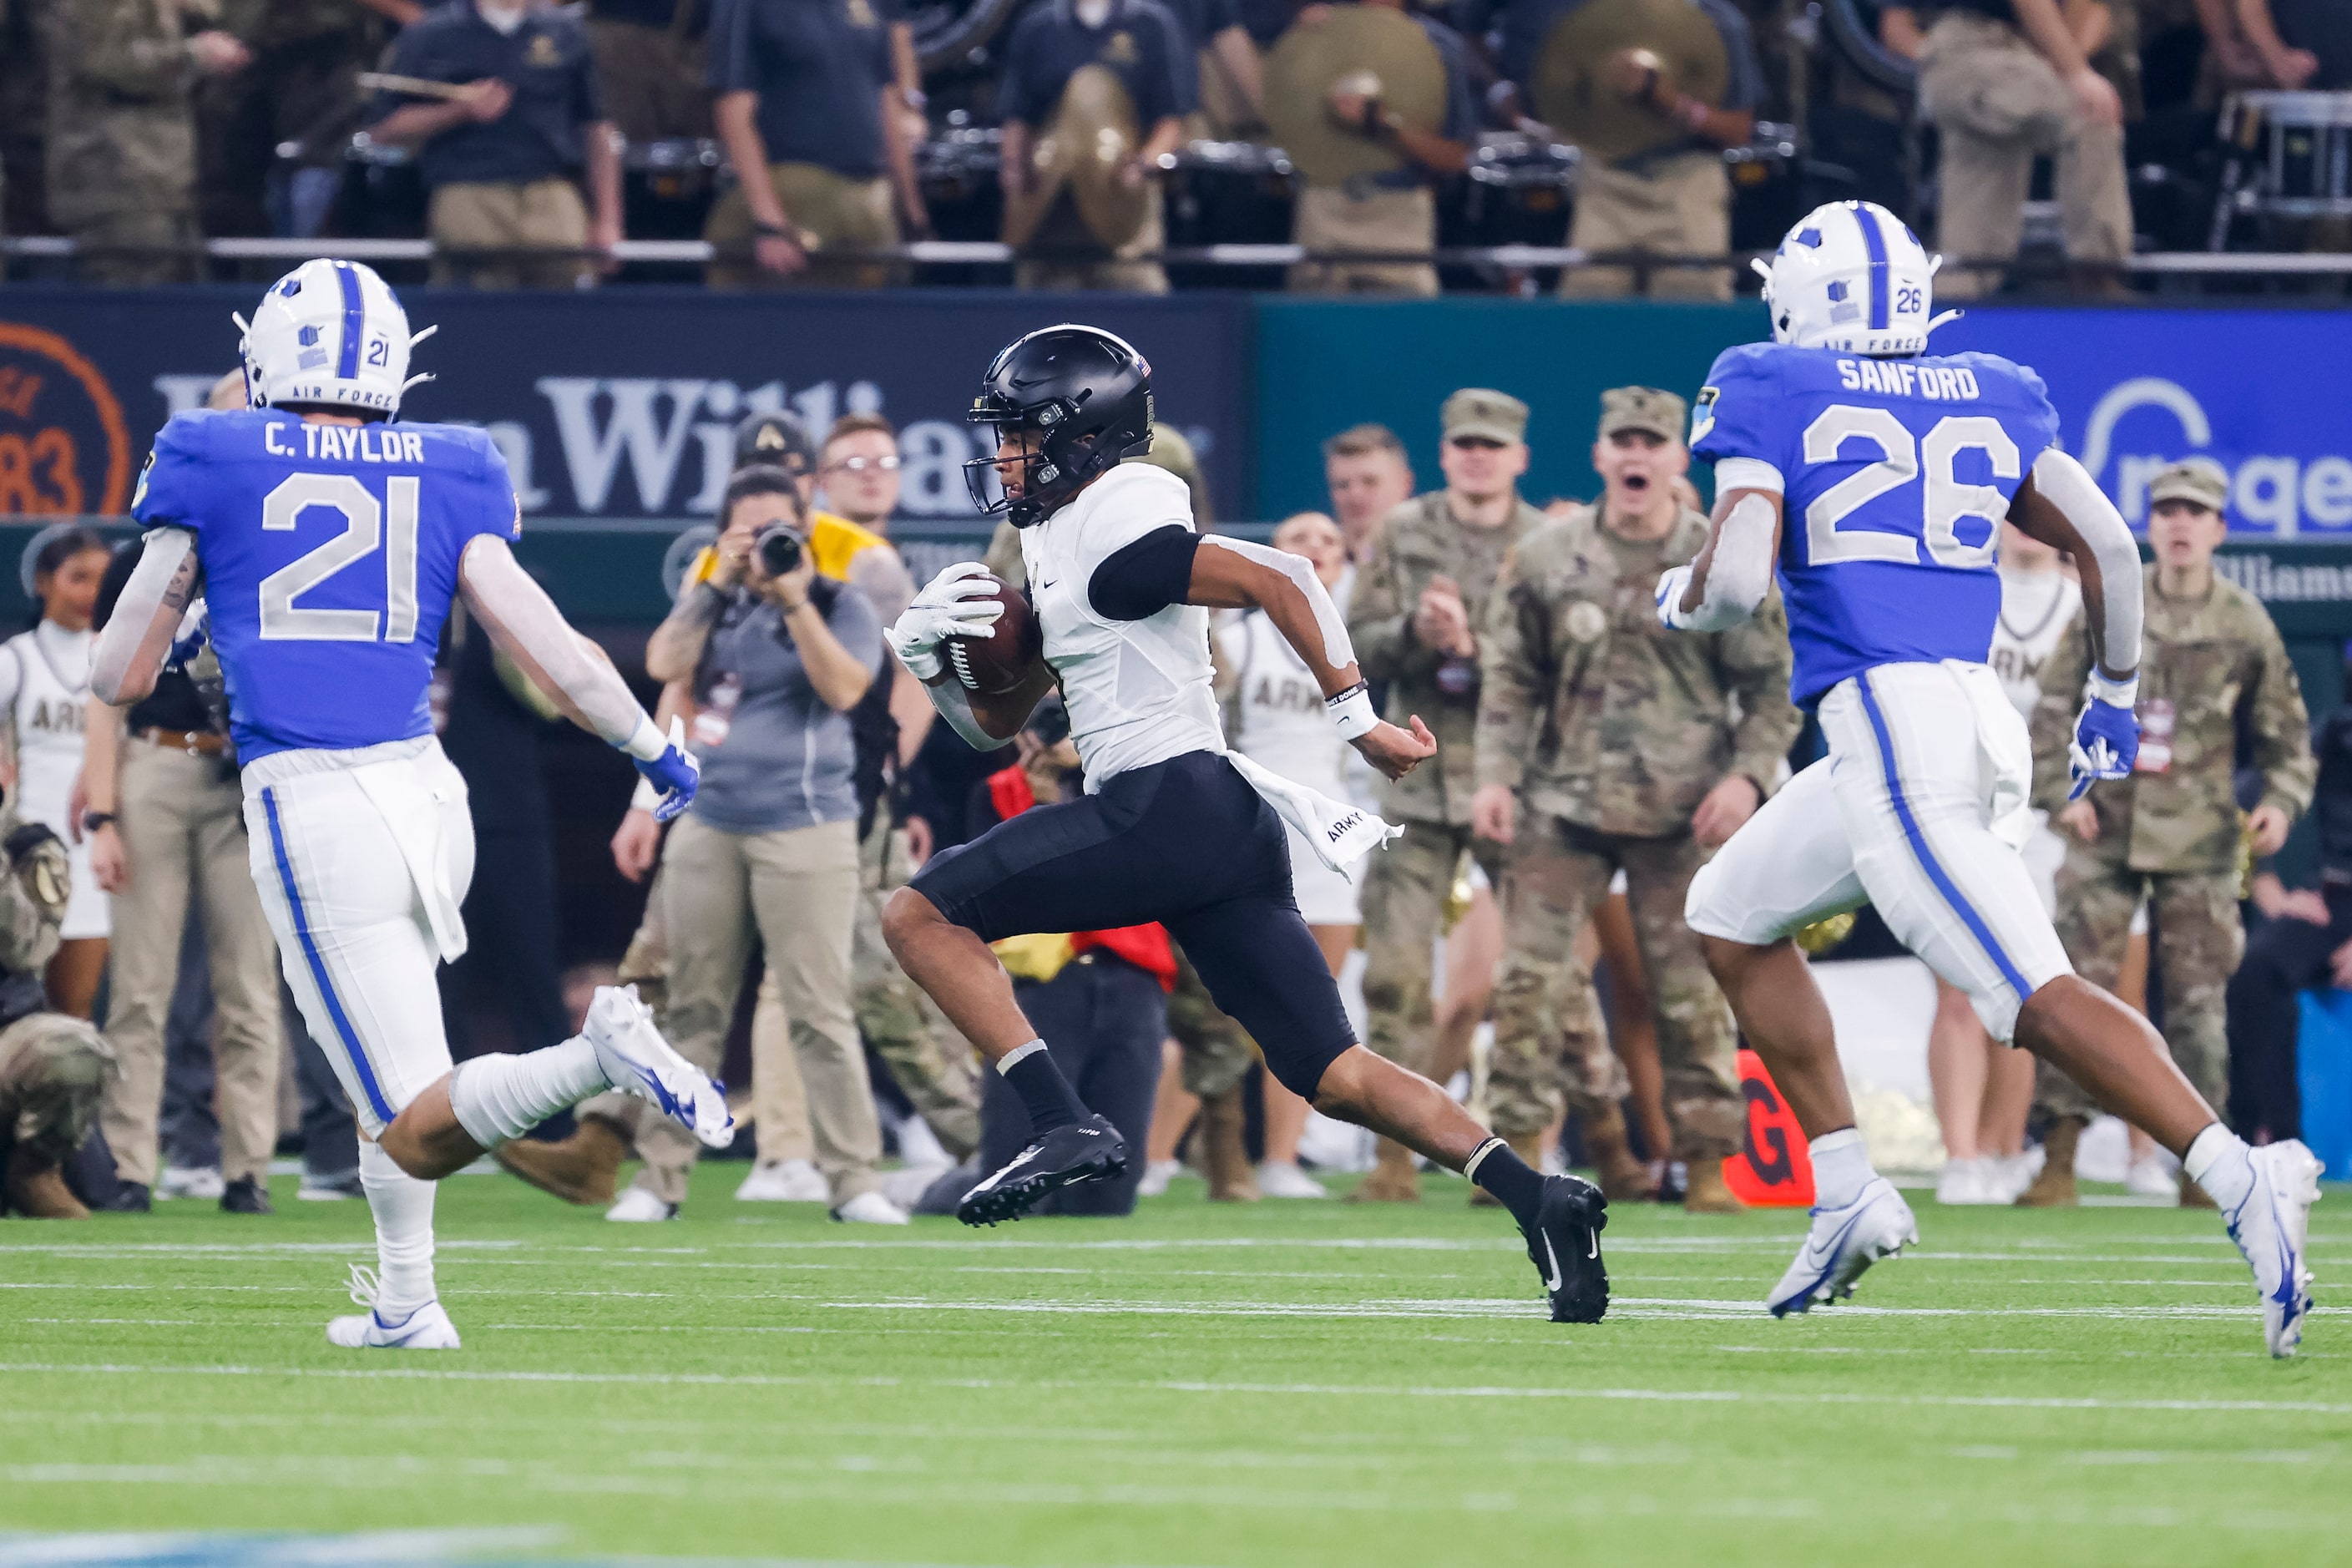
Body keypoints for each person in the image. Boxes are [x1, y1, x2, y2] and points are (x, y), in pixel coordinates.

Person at [1660, 200, 2321, 1357]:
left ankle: (2240, 1171)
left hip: (1890, 722)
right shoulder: (1988, 386)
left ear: (1801, 302)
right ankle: (1849, 1184)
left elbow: (1732, 585)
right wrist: (2111, 694)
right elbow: (2108, 547)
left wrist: (1680, 589)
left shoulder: (1766, 381)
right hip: (1961, 712)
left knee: (2030, 997)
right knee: (1726, 912)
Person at [881, 325, 1611, 1326]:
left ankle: (1062, 1122)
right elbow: (1001, 727)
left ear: (1081, 435)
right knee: (1334, 1074)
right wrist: (937, 666)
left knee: (919, 917)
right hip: (1217, 824)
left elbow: (1287, 577)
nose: (1002, 455)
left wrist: (1358, 721)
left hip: (1164, 805)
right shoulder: (1064, 536)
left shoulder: (1112, 527)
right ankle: (1540, 1199)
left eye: (1019, 434)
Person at [95, 258, 725, 1350]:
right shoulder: (454, 461)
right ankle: (405, 1298)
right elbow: (552, 646)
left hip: (313, 804)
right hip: (432, 797)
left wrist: (194, 627)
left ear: (267, 355)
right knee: (395, 1062)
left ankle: (598, 1055)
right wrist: (647, 748)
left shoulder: (211, 447)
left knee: (410, 1118)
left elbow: (114, 673)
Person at [1473, 387, 1800, 1213]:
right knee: (1527, 984)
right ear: (1598, 456)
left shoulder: (1720, 560)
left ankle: (1709, 1165)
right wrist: (1495, 778)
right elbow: (1511, 676)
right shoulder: (1547, 556)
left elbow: (1771, 687)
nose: (1635, 455)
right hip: (1560, 801)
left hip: (1684, 806)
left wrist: (1748, 777)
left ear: (1675, 458)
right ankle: (1518, 1158)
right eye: (1621, 440)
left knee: (1690, 991)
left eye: (1652, 442)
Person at [597, 466, 909, 1224]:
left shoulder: (840, 602)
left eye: (783, 530)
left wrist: (793, 597)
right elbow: (664, 666)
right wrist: (714, 582)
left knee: (819, 1008)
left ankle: (855, 1182)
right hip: (710, 820)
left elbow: (845, 691)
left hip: (809, 824)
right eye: (751, 531)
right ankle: (660, 1179)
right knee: (692, 1008)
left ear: (807, 527)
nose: (770, 544)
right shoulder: (713, 603)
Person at [2021, 457, 2314, 1207]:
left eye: (2195, 512)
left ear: (2218, 528)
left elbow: (2286, 740)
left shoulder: (2243, 620)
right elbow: (2053, 707)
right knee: (2068, 995)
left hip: (2201, 841)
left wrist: (2278, 803)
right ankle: (2056, 1156)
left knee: (2198, 1008)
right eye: (2167, 511)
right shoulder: (2114, 598)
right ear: (2148, 526)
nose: (2179, 524)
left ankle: (2201, 1167)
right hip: (2104, 828)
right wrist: (2059, 794)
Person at [1343, 387, 1545, 1201]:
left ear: (1519, 458)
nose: (1478, 456)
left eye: (1492, 445)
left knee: (1536, 977)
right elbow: (1352, 640)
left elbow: (1566, 663)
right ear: (1445, 452)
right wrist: (1412, 638)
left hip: (1513, 779)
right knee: (1393, 977)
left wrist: (1478, 645)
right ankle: (1395, 1160)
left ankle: (1520, 1153)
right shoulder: (1403, 530)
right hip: (1418, 780)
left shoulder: (1547, 542)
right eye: (1465, 443)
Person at [83, 532, 284, 1216]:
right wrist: (101, 813)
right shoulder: (135, 559)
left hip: (246, 774)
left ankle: (248, 1170)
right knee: (140, 989)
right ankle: (131, 1165)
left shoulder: (270, 547)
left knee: (250, 986)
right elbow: (103, 687)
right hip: (156, 766)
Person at [953, 696, 1174, 1216]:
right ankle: (930, 1191)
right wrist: (1041, 807)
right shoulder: (996, 794)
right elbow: (1007, 895)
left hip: (1131, 979)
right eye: (1046, 723)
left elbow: (1132, 877)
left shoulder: (1132, 787)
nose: (1058, 736)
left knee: (1111, 1194)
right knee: (1010, 1179)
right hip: (1043, 986)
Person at [1216, 511, 1364, 1199]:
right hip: (1257, 827)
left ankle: (1281, 1157)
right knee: (1230, 1008)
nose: (1316, 551)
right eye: (1301, 540)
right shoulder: (1239, 636)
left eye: (1330, 542)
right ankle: (1172, 1151)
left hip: (1330, 836)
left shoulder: (1350, 643)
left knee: (1314, 1004)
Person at [1932, 518, 2076, 1204]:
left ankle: (2003, 1147)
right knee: (1955, 987)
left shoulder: (2083, 606)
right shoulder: (1956, 590)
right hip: (1960, 804)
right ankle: (1960, 1155)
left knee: (2026, 991)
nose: (2025, 526)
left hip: (2044, 821)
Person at [367, 0, 624, 289]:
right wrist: (458, 110)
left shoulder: (565, 31)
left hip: (551, 190)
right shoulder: (431, 32)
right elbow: (384, 128)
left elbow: (598, 129)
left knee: (565, 304)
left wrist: (608, 220)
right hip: (466, 189)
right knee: (472, 305)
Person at [1546, 0, 1764, 300]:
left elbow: (1738, 131)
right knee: (1587, 317)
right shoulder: (1593, 20)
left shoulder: (1720, 23)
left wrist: (1669, 102)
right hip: (1606, 184)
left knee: (1694, 321)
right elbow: (1559, 100)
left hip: (1687, 187)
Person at [701, 0, 925, 287]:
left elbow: (886, 100)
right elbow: (733, 112)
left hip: (872, 200)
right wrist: (768, 223)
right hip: (794, 197)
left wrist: (911, 209)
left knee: (875, 326)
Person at [1915, 0, 2132, 297]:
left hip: (1974, 55)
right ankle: (2097, 276)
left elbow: (2096, 10)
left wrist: (2057, 60)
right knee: (2090, 113)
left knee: (1973, 253)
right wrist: (2076, 71)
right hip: (1980, 48)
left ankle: (1953, 305)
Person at [2229, 660, 2352, 1148]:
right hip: (2333, 902)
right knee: (2254, 969)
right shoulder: (2335, 737)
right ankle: (2271, 1141)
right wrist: (2268, 890)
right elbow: (2253, 794)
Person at [995, 0, 1193, 292]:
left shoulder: (1152, 23)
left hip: (1125, 198)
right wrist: (1014, 170)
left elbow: (1172, 120)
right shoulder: (1038, 26)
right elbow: (1018, 118)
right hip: (1053, 206)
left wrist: (1142, 167)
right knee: (1043, 310)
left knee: (1138, 295)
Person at [44, 0, 248, 283]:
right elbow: (110, 60)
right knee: (133, 307)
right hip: (116, 180)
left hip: (167, 182)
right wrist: (196, 55)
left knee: (178, 305)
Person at [1284, 0, 1473, 298]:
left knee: (1403, 335)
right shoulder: (1319, 36)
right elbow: (1280, 121)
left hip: (1399, 216)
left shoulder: (1438, 48)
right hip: (1323, 208)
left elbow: (1457, 157)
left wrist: (1384, 123)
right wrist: (1298, 48)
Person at [3, 529, 115, 1021]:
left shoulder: (121, 661)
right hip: (23, 857)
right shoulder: (16, 660)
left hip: (92, 857)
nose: (92, 593)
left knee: (76, 1010)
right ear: (44, 582)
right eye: (78, 578)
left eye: (103, 581)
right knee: (19, 1010)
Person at [0, 794, 114, 1221]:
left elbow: (27, 952)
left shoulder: (28, 846)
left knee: (74, 1049)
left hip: (7, 1033)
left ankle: (33, 1172)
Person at [1323, 424, 1415, 565]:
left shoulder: (1437, 560)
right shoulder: (1316, 571)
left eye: (1370, 482)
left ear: (1405, 484)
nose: (1355, 495)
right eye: (1342, 485)